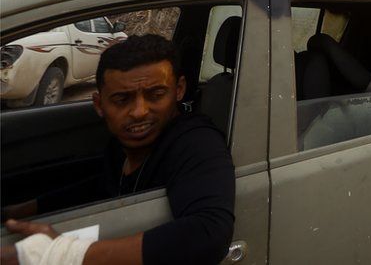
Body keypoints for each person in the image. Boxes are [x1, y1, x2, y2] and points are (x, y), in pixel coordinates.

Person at [0, 35, 235, 265]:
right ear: (99, 105)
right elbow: (101, 186)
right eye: (122, 99)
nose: (139, 111)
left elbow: (209, 233)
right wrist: (19, 210)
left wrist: (62, 255)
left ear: (179, 89)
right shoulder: (125, 143)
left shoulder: (195, 141)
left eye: (156, 95)